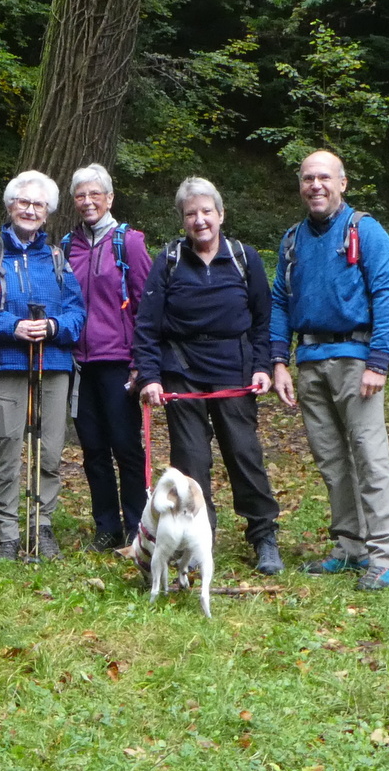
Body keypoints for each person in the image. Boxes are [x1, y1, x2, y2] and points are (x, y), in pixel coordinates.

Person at [133, 176, 284, 575]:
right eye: (190, 214)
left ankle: (263, 536)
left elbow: (262, 321)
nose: (200, 220)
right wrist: (150, 376)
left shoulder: (243, 257)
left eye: (206, 212)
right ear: (182, 221)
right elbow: (146, 325)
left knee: (244, 454)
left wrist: (262, 367)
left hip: (234, 371)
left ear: (220, 214)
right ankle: (201, 542)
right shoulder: (167, 261)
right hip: (182, 372)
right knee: (192, 463)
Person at [271, 150, 389, 590]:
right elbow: (279, 301)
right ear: (300, 185)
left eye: (324, 178)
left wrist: (379, 362)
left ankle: (386, 557)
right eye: (308, 178)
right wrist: (278, 360)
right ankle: (350, 547)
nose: (316, 186)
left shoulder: (364, 229)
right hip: (309, 363)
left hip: (357, 361)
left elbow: (388, 293)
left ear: (342, 183)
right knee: (332, 461)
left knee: (370, 457)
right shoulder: (293, 240)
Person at [0, 170, 86, 561]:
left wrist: (51, 326)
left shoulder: (57, 258)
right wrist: (11, 327)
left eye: (38, 205)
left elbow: (77, 314)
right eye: (23, 202)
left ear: (47, 213)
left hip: (53, 364)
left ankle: (41, 525)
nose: (30, 210)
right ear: (10, 205)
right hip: (4, 362)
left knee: (49, 450)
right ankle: (8, 531)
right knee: (8, 446)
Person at [62, 163, 152, 552]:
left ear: (110, 198)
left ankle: (137, 527)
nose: (87, 201)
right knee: (93, 449)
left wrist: (142, 362)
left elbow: (148, 305)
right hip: (78, 365)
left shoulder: (128, 242)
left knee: (126, 447)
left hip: (119, 361)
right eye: (80, 195)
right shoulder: (67, 246)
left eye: (94, 194)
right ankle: (106, 527)